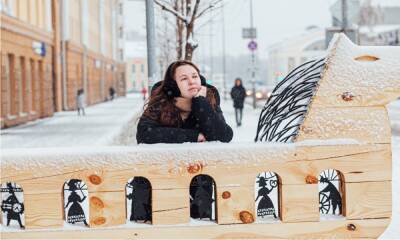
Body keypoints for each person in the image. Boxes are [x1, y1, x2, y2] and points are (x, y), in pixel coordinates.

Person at [136, 60, 233, 144]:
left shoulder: (208, 100)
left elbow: (224, 136)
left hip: (201, 164)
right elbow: (144, 134)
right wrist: (193, 136)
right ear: (173, 85)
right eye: (184, 78)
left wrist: (200, 103)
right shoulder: (161, 102)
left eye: (195, 76)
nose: (191, 82)